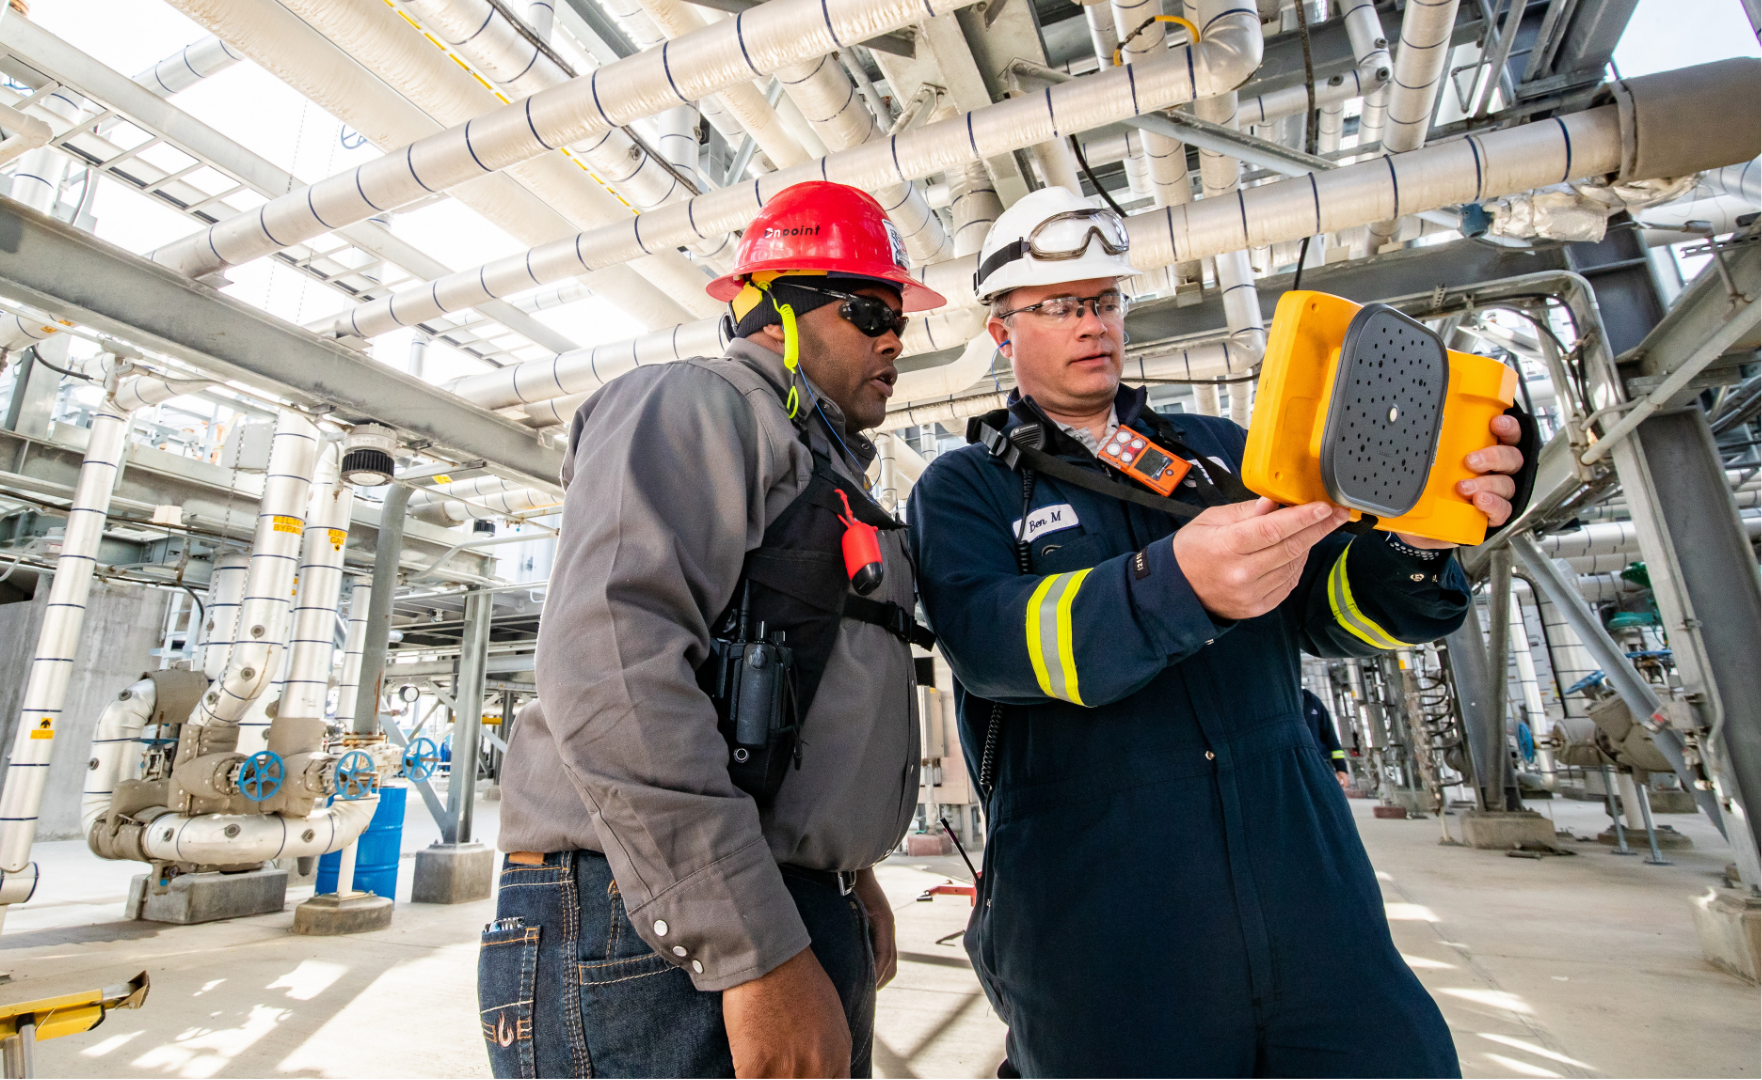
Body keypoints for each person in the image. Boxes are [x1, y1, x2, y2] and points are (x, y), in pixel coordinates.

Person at [907, 187, 1534, 1077]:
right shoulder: (966, 487)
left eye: (1105, 300)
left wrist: (1419, 546)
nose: (1093, 324)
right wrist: (1174, 585)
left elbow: (1334, 611)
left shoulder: (1225, 453)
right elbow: (991, 646)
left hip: (1305, 884)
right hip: (1102, 913)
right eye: (1058, 306)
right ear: (1002, 330)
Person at [483, 181, 945, 1079]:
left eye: (901, 318)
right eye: (866, 310)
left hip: (771, 901)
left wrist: (848, 874)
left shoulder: (819, 463)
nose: (893, 337)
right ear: (771, 314)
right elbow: (610, 671)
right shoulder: (696, 404)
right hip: (647, 918)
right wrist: (755, 948)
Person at [1301, 687, 1350, 788]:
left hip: (1320, 764)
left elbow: (1330, 736)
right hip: (1294, 767)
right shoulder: (1276, 703)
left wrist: (1341, 768)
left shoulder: (1311, 701)